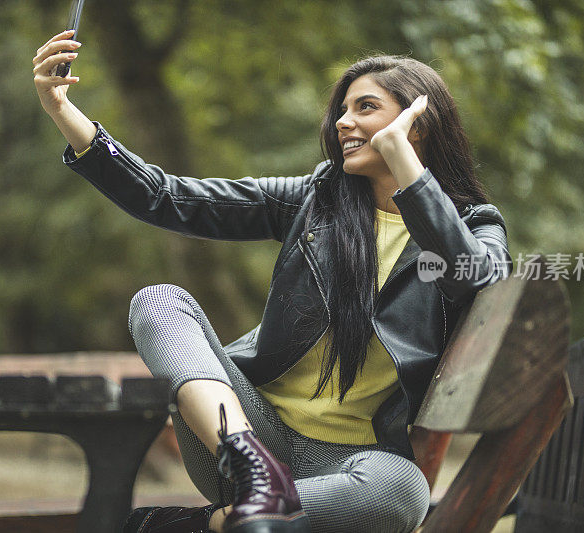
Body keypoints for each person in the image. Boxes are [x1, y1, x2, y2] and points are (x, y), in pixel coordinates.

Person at [32, 30, 512, 533]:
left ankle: (209, 525)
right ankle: (251, 467)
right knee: (160, 300)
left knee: (403, 495)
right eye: (342, 110)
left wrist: (408, 171)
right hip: (244, 426)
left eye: (365, 107)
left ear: (418, 123)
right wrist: (64, 110)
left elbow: (477, 280)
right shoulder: (314, 198)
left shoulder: (475, 224)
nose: (343, 121)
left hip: (351, 460)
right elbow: (169, 197)